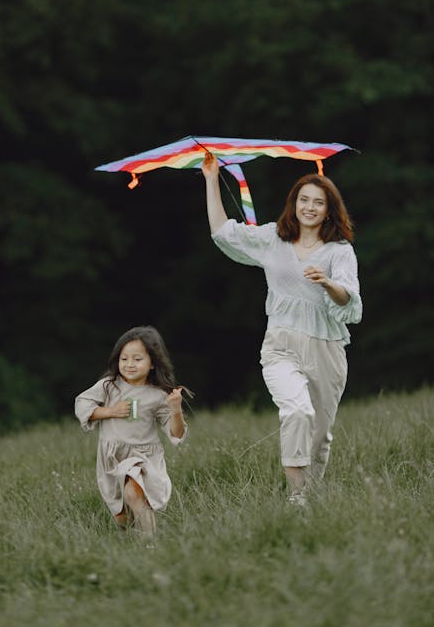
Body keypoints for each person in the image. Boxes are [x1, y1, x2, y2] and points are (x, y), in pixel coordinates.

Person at [202, 153, 362, 505]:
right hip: (281, 345)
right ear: (294, 204)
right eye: (304, 200)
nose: (309, 207)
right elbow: (223, 232)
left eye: (318, 203)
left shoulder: (340, 251)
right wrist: (212, 178)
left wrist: (326, 283)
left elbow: (349, 299)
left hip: (327, 349)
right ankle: (297, 498)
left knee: (319, 435)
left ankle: (313, 497)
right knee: (297, 411)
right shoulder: (274, 238)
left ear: (329, 210)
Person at [75, 326, 191, 537]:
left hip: (143, 456)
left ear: (153, 363)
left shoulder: (157, 395)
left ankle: (150, 544)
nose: (129, 364)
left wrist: (176, 410)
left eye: (137, 359)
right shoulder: (109, 386)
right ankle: (131, 543)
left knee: (134, 493)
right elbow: (82, 404)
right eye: (124, 358)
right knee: (122, 516)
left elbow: (176, 434)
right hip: (111, 455)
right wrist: (110, 411)